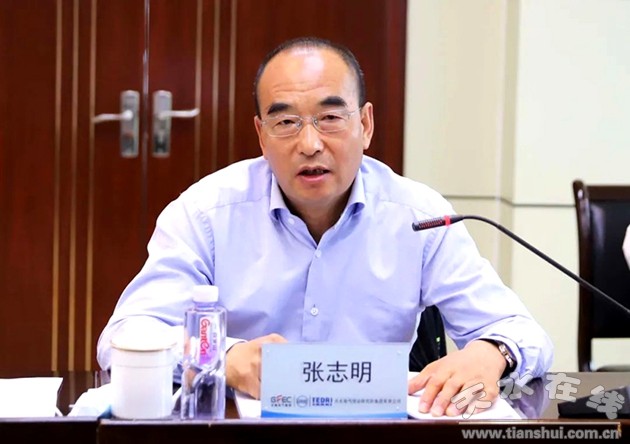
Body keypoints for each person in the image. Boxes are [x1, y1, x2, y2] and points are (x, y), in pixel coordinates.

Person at [97, 36, 553, 417]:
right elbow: (124, 337)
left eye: (331, 118)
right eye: (286, 122)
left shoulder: (418, 215)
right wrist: (225, 358)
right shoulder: (206, 213)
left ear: (366, 125)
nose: (310, 143)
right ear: (261, 135)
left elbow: (524, 333)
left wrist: (492, 352)